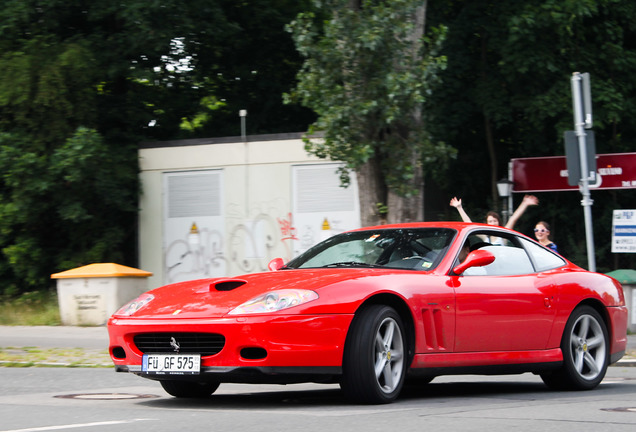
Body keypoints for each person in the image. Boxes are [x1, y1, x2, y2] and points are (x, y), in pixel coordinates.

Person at [449, 194, 539, 230]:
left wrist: (524, 204)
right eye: (490, 221)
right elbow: (469, 224)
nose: (493, 223)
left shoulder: (503, 234)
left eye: (494, 221)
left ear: (499, 222)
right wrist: (459, 207)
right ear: (487, 223)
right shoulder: (485, 236)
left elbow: (513, 219)